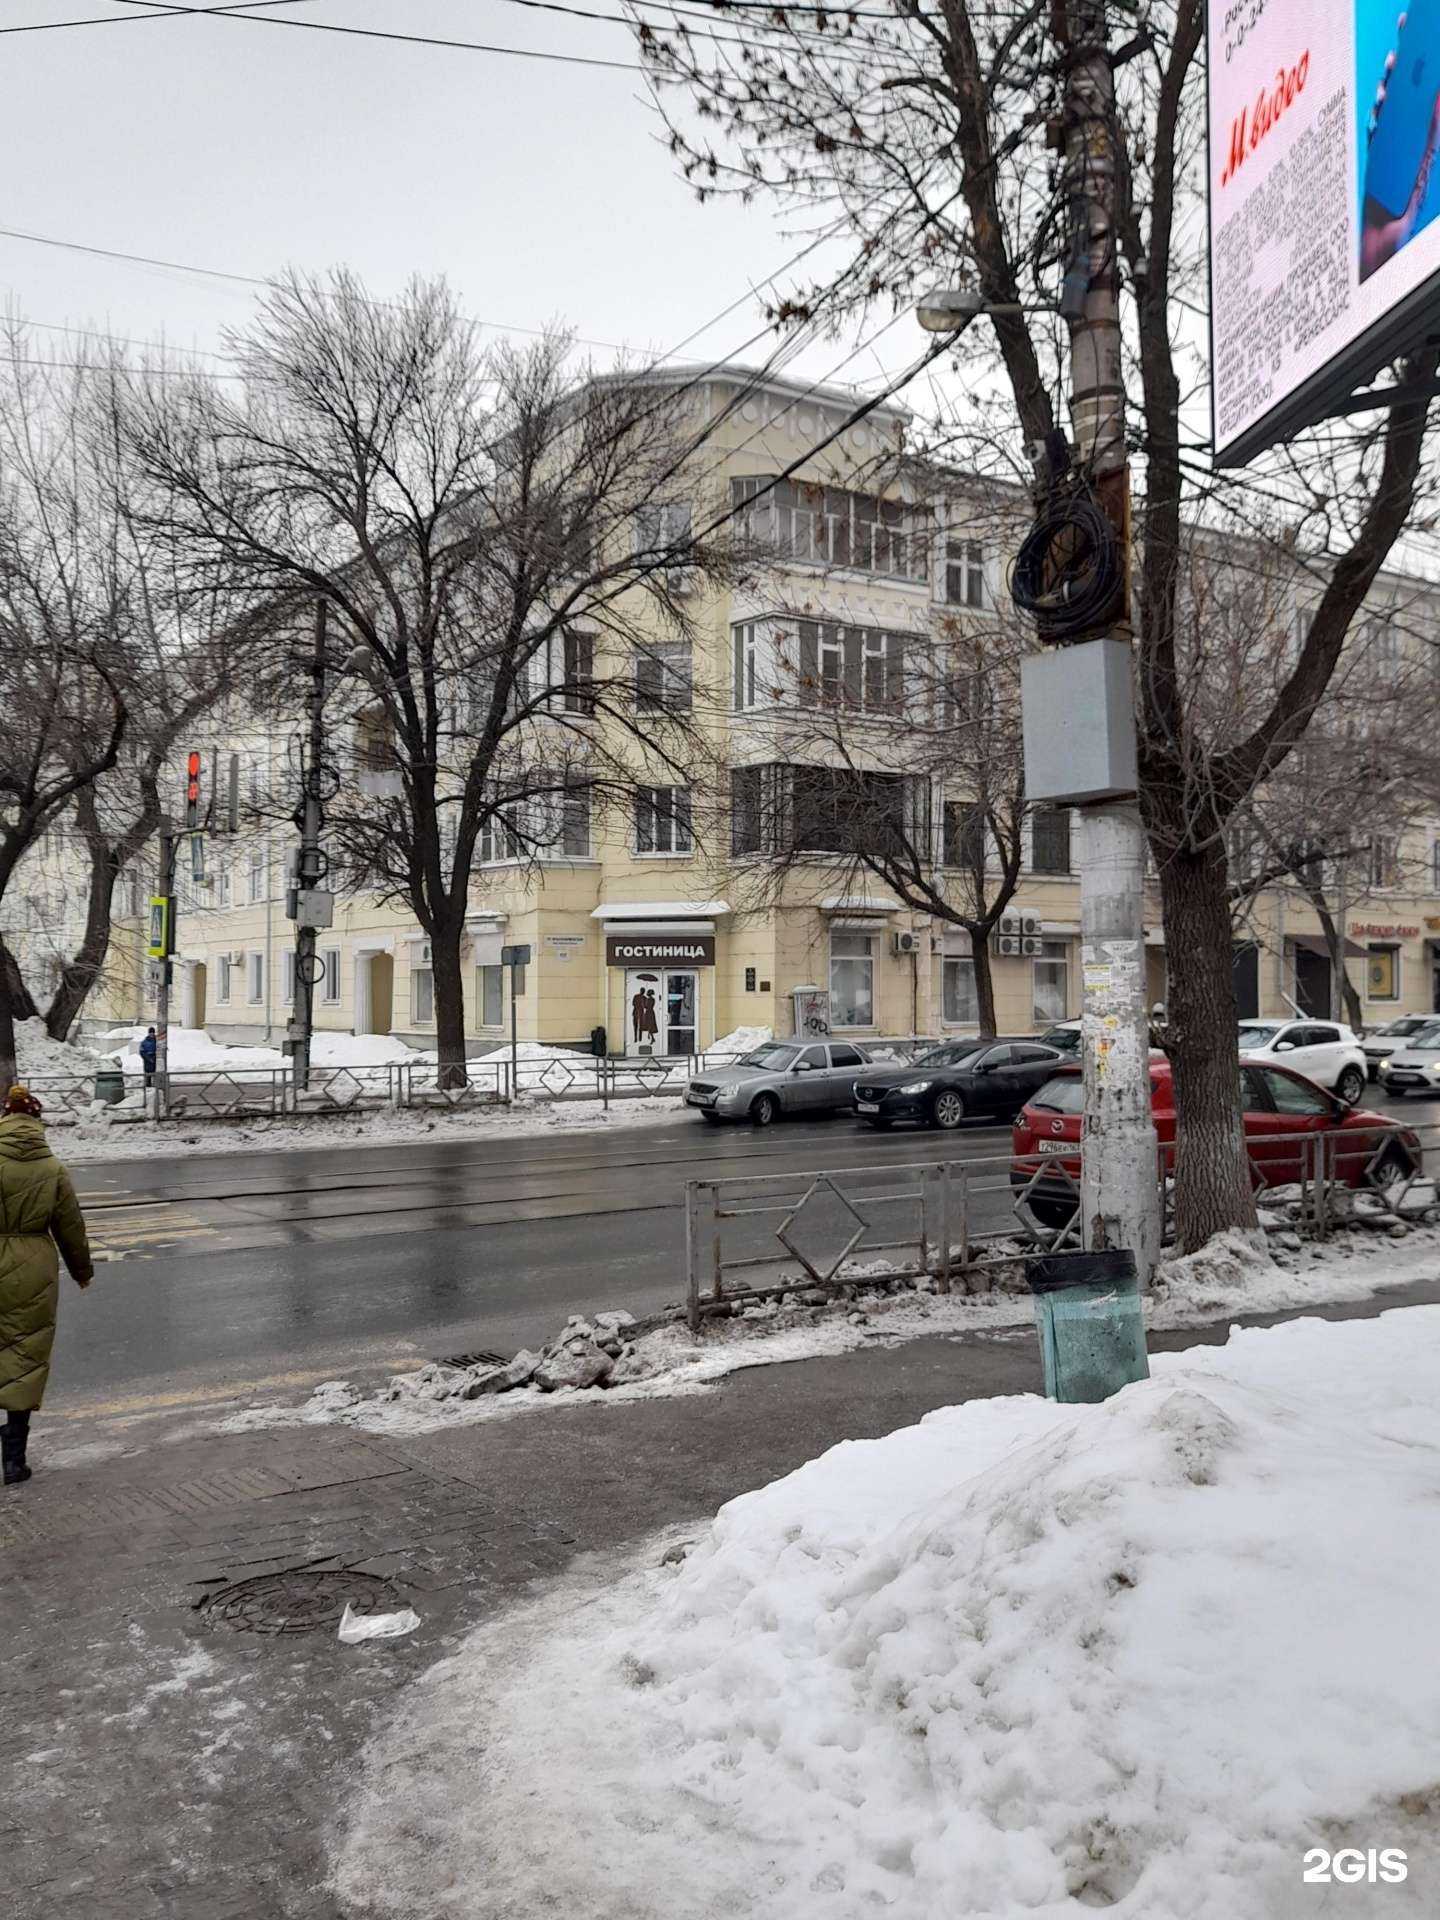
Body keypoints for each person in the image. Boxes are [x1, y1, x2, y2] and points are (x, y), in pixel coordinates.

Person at [0, 1085, 95, 1487]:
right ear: (37, 1122)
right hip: (33, 1267)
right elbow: (70, 1225)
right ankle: (13, 1461)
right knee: (24, 1355)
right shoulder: (52, 1168)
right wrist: (81, 1271)